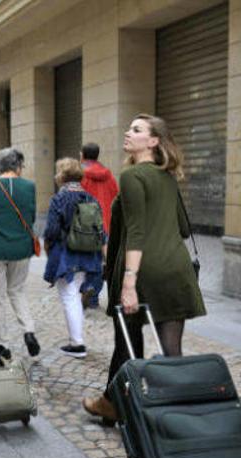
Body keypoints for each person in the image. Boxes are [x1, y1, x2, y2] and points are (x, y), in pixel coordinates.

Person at [83, 113, 206, 423]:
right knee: (171, 348)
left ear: (153, 141)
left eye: (136, 130)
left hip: (143, 271)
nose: (128, 132)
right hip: (176, 269)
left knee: (127, 342)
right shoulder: (167, 176)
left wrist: (128, 282)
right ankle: (178, 416)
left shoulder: (132, 176)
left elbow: (136, 232)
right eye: (129, 127)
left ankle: (114, 404)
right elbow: (181, 227)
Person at [0, 148, 38, 357]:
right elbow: (31, 216)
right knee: (17, 290)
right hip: (21, 249)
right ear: (18, 165)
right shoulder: (29, 187)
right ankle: (28, 330)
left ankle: (1, 345)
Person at [42, 158, 106, 359]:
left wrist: (47, 246)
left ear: (62, 175)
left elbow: (51, 230)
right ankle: (76, 340)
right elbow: (101, 230)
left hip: (66, 254)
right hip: (88, 253)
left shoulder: (59, 199)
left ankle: (77, 344)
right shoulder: (90, 198)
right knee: (74, 297)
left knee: (69, 297)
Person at [79, 143, 118, 309]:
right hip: (107, 224)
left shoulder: (81, 174)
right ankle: (93, 294)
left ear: (82, 155)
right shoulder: (108, 175)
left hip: (87, 224)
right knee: (101, 262)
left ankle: (88, 291)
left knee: (86, 260)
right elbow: (117, 196)